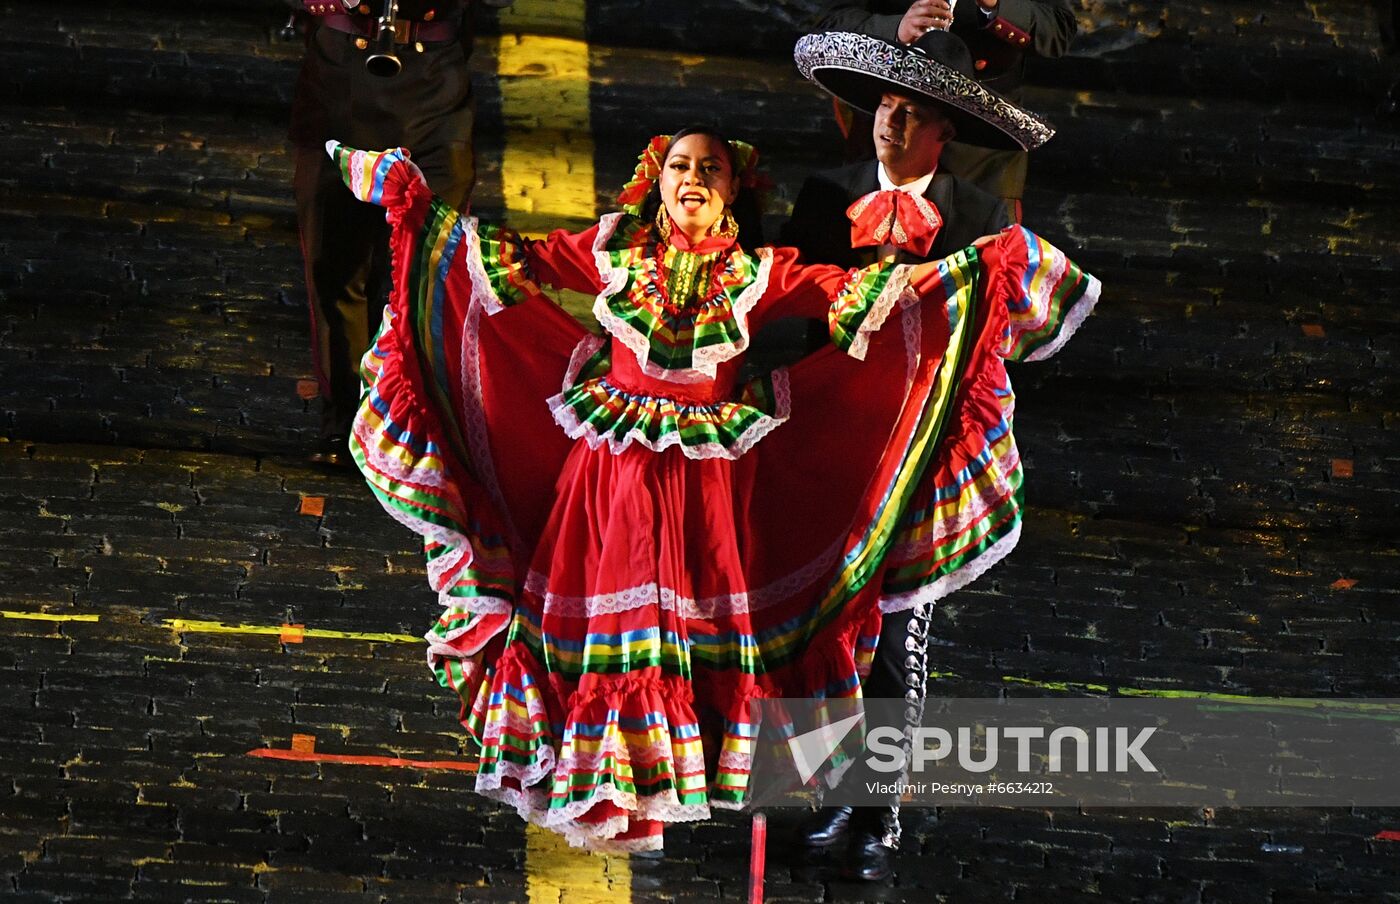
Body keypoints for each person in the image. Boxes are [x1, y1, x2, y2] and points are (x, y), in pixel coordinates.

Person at [328, 123, 1098, 853]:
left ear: (734, 190)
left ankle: (775, 793)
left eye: (711, 168)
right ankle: (613, 790)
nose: (694, 178)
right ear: (654, 183)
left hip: (710, 487)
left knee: (696, 639)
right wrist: (419, 213)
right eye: (680, 166)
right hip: (615, 474)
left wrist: (972, 271)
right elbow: (510, 259)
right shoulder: (611, 249)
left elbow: (859, 294)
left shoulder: (760, 272)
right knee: (619, 635)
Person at [788, 28, 1066, 880]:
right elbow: (788, 322)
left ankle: (883, 815)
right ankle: (832, 792)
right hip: (832, 446)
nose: (892, 120)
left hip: (920, 455)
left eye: (913, 112)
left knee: (898, 632)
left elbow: (1001, 339)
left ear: (945, 132)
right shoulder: (823, 195)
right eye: (886, 104)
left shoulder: (979, 219)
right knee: (827, 630)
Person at [289, 0, 479, 466]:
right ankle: (346, 424)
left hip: (434, 84)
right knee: (335, 269)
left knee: (426, 272)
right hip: (338, 81)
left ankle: (411, 422)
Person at [814, 0, 1077, 219]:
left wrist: (996, 4)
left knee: (979, 267)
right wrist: (896, 29)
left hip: (981, 148)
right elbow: (830, 22)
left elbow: (1057, 32)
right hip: (884, 136)